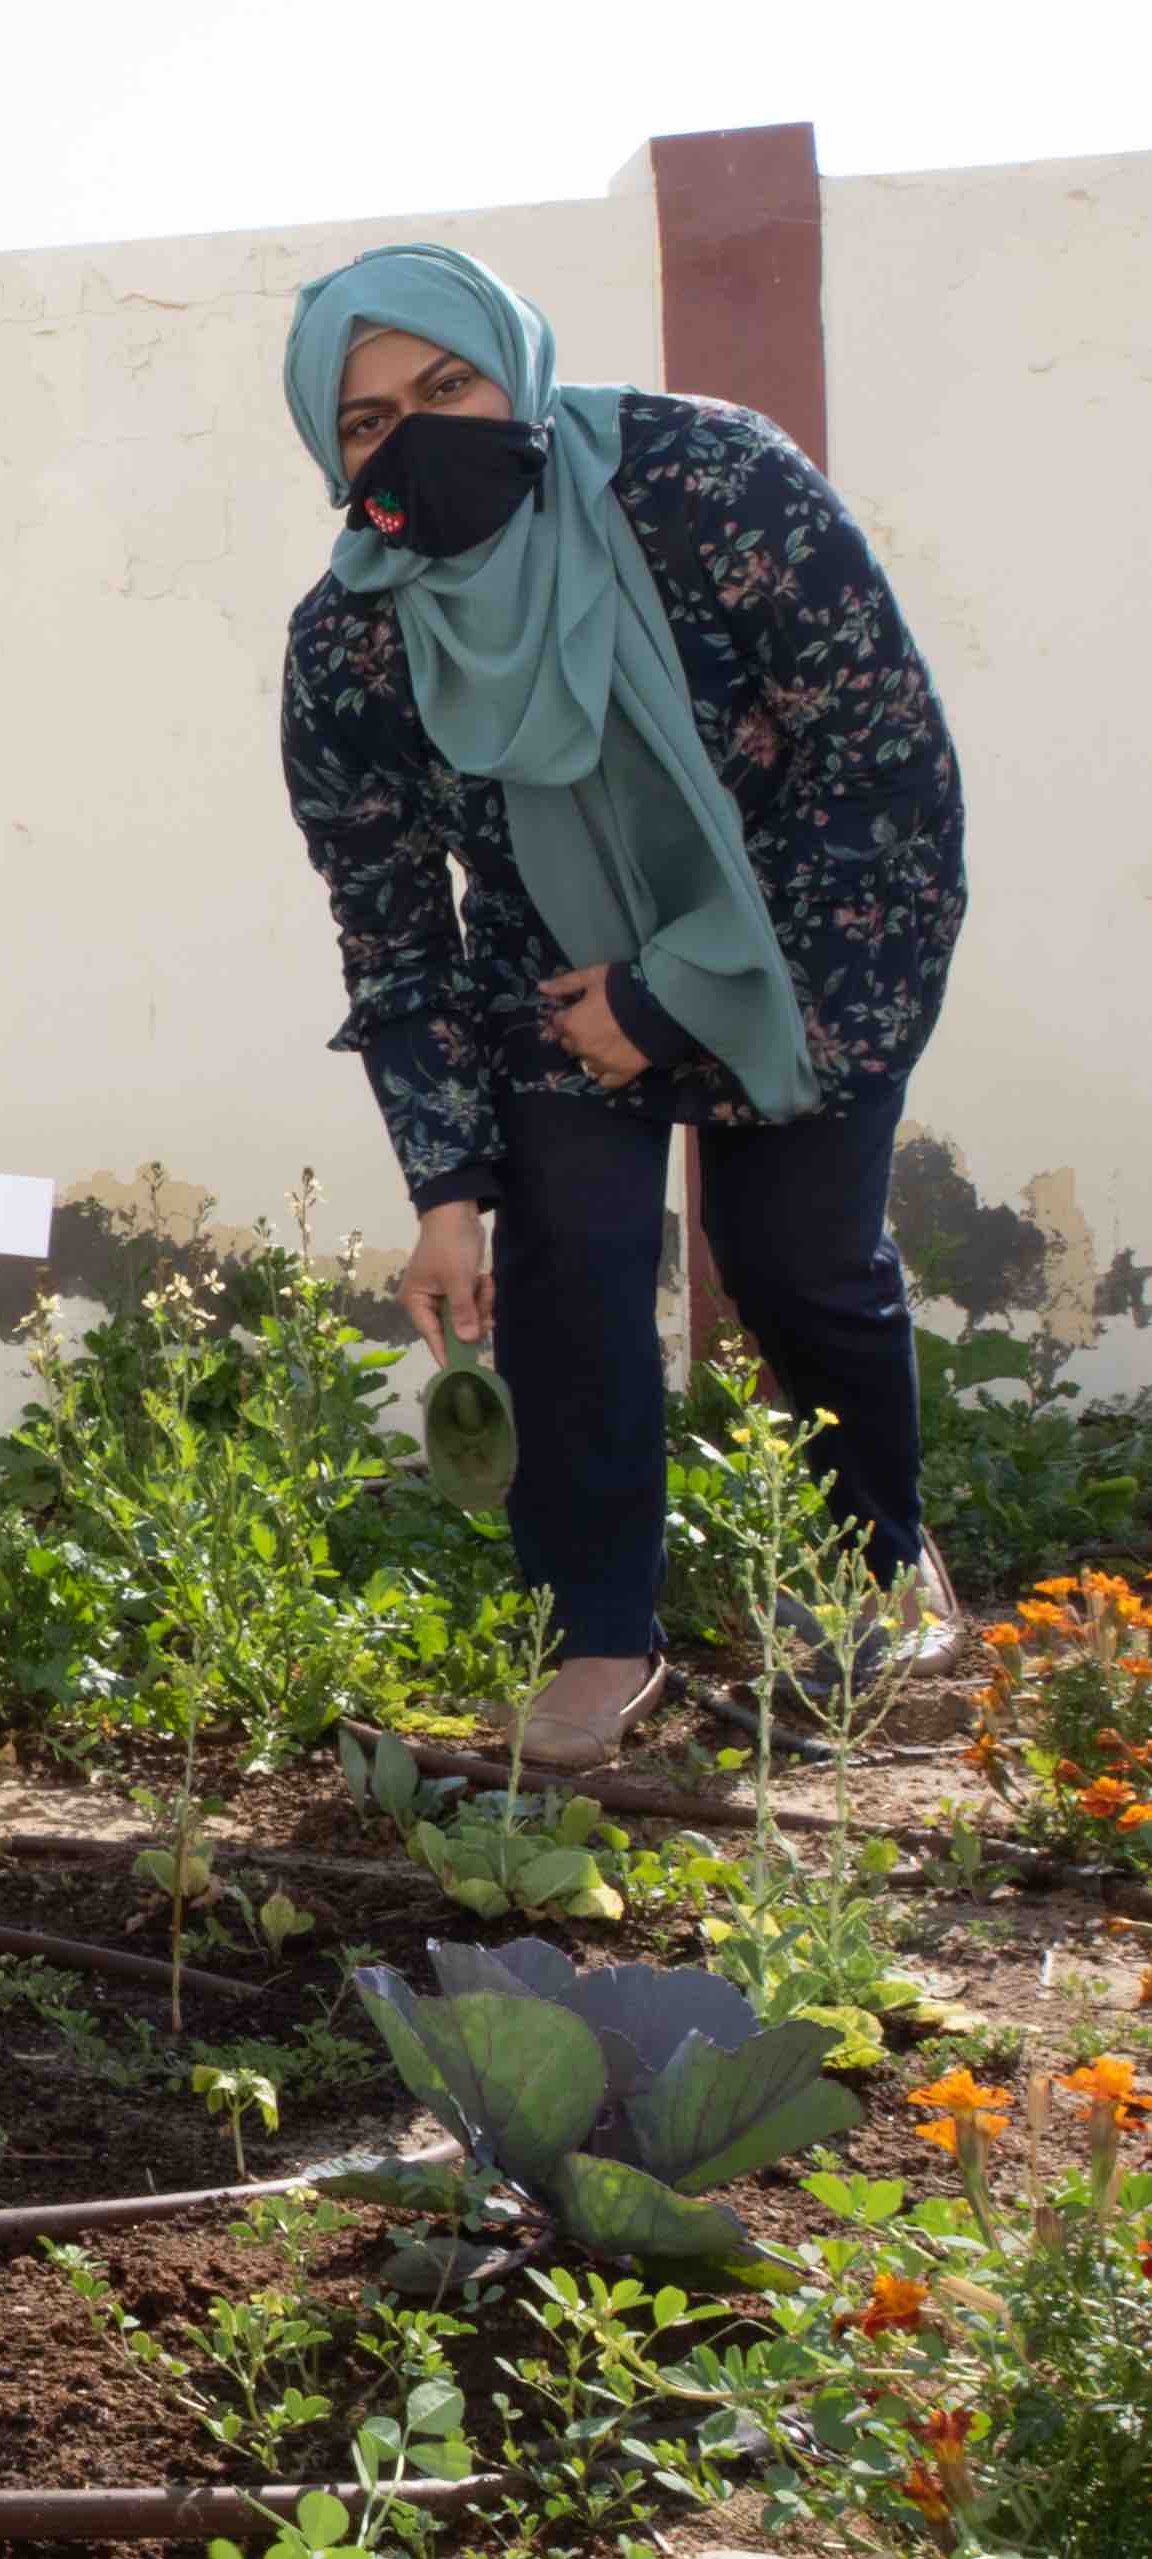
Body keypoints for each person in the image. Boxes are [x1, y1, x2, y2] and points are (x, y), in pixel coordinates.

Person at [276, 245, 966, 1770]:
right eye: (372, 421)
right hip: (550, 976)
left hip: (808, 923)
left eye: (448, 386)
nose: (419, 436)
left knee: (796, 1258)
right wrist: (446, 1190)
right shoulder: (350, 646)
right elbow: (392, 932)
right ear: (335, 455)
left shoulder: (707, 484)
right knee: (569, 1287)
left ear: (513, 369)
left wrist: (677, 989)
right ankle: (596, 1635)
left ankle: (877, 1556)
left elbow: (878, 758)